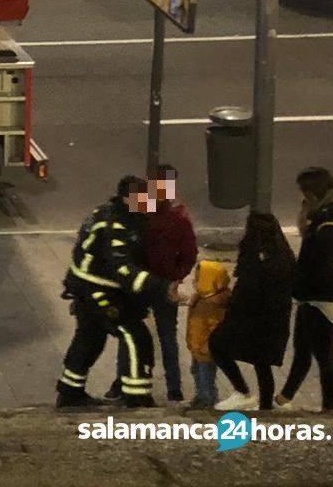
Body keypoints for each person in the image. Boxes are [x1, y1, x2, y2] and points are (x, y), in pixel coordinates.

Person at [56, 175, 179, 408]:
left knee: (89, 339)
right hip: (101, 292)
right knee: (135, 336)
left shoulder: (107, 214)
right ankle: (137, 396)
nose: (149, 202)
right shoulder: (117, 226)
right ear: (127, 199)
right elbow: (122, 268)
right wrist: (161, 287)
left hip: (86, 289)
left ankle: (70, 392)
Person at [112, 164, 196, 402]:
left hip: (148, 284)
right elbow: (188, 255)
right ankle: (172, 389)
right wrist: (176, 277)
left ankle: (125, 383)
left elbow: (188, 255)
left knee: (137, 335)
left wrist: (174, 279)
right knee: (162, 336)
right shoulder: (176, 217)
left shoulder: (153, 215)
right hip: (154, 283)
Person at [273, 167, 333, 412]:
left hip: (323, 300)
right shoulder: (328, 214)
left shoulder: (330, 228)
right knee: (303, 349)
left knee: (323, 354)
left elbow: (320, 268)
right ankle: (286, 396)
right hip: (313, 297)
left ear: (312, 194)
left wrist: (299, 288)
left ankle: (329, 408)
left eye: (304, 194)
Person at [210, 211, 296, 411]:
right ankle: (265, 406)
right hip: (273, 320)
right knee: (262, 363)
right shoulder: (283, 256)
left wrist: (230, 306)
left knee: (218, 344)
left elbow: (247, 289)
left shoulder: (254, 257)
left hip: (250, 318)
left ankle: (243, 392)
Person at [184, 259, 232, 410]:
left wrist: (206, 346)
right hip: (197, 346)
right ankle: (201, 396)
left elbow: (215, 328)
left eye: (198, 279)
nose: (194, 282)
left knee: (206, 375)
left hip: (205, 348)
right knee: (197, 372)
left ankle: (208, 399)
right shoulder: (201, 298)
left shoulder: (214, 303)